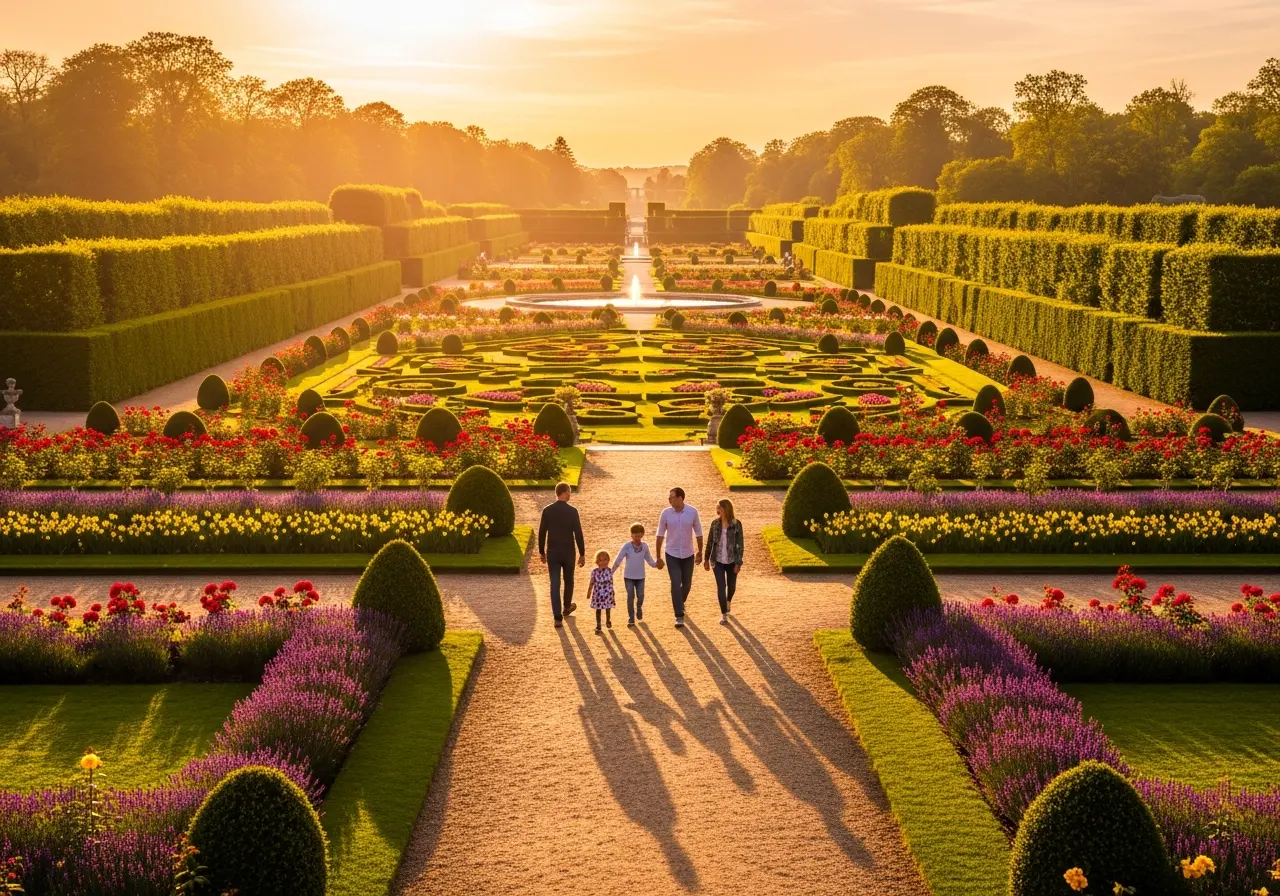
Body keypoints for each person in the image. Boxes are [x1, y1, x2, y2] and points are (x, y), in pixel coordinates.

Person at [538, 481, 585, 628]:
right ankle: (566, 607)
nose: (570, 495)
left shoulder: (547, 510)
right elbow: (578, 533)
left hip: (553, 552)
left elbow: (542, 533)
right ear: (564, 492)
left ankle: (557, 617)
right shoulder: (572, 511)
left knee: (555, 583)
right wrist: (582, 553)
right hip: (568, 552)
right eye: (569, 492)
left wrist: (541, 552)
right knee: (569, 580)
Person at [654, 487, 702, 628]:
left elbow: (698, 532)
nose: (669, 500)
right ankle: (679, 615)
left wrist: (700, 551)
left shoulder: (692, 512)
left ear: (680, 498)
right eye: (669, 498)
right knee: (675, 583)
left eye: (672, 497)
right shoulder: (666, 513)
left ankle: (680, 602)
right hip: (671, 554)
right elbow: (660, 534)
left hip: (688, 554)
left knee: (687, 584)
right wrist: (658, 556)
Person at [703, 498, 744, 625]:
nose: (717, 510)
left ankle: (728, 600)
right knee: (721, 587)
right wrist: (706, 559)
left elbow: (740, 544)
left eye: (719, 508)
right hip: (717, 560)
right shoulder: (715, 524)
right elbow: (710, 541)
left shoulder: (737, 524)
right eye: (717, 508)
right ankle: (724, 614)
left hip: (732, 561)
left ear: (725, 509)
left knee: (732, 587)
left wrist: (738, 563)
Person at [612, 522, 659, 626]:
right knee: (630, 596)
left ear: (642, 535)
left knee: (641, 595)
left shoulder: (645, 546)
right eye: (635, 535)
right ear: (631, 535)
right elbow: (618, 559)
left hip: (640, 576)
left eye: (639, 535)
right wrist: (611, 572)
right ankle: (631, 618)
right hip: (628, 576)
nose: (637, 538)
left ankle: (639, 608)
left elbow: (649, 560)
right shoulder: (627, 546)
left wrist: (657, 565)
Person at [589, 549, 617, 634]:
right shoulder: (595, 572)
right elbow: (591, 582)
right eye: (601, 560)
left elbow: (611, 582)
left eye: (605, 560)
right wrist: (589, 592)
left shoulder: (609, 571)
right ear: (597, 562)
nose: (603, 562)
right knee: (598, 610)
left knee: (608, 608)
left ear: (608, 560)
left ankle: (608, 620)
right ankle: (598, 625)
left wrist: (613, 592)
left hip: (608, 593)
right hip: (598, 594)